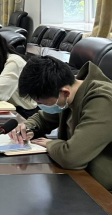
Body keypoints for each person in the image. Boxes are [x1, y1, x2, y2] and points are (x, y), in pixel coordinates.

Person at [10, 56, 112, 192]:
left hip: (102, 187)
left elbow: (72, 157)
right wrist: (27, 127)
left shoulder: (103, 99)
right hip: (81, 175)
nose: (40, 106)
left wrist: (50, 144)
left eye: (43, 103)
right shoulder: (69, 91)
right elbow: (44, 118)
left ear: (65, 93)